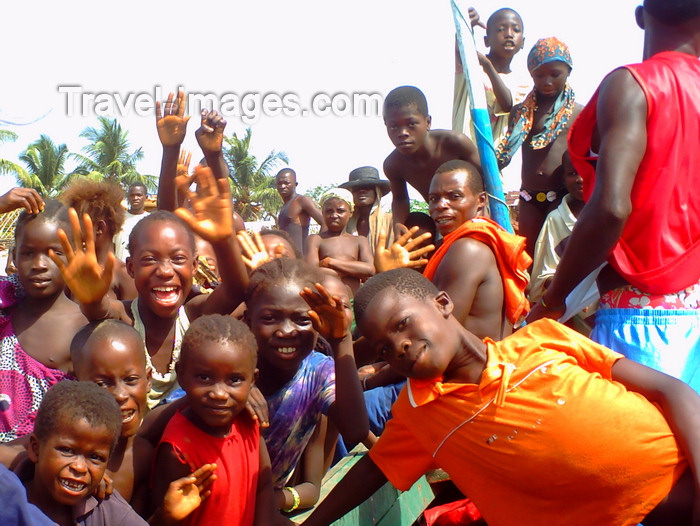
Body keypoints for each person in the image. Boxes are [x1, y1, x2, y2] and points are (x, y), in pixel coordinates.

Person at [302, 268, 700, 526]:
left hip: (686, 485)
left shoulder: (543, 338)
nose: (399, 346)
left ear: (443, 303)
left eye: (403, 324)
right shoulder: (421, 411)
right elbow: (373, 466)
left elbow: (671, 389)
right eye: (385, 349)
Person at [527, 0, 700, 393]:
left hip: (645, 321)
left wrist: (553, 301)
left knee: (639, 449)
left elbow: (610, 209)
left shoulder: (631, 85)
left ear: (641, 17)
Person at [51, 166, 249, 408]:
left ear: (195, 265)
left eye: (178, 259)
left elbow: (236, 290)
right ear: (131, 268)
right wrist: (91, 298)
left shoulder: (195, 315)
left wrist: (224, 239)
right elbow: (99, 311)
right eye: (149, 259)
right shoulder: (125, 317)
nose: (165, 271)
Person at [243, 258, 368, 511]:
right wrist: (233, 390)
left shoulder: (317, 372)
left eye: (302, 320)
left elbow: (355, 431)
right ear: (248, 321)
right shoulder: (228, 368)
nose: (286, 331)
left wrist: (341, 340)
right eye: (269, 318)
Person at [153, 314, 285, 526]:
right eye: (204, 378)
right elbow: (166, 515)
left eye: (234, 380)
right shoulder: (177, 449)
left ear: (253, 381)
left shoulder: (248, 421)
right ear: (182, 376)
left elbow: (262, 484)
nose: (219, 393)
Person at [0, 198, 88, 442]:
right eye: (28, 253)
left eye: (54, 253)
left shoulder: (82, 327)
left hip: (34, 472)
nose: (39, 265)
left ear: (72, 256)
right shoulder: (5, 306)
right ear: (14, 256)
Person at [423, 160, 530, 340]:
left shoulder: (468, 248)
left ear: (480, 200)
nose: (441, 205)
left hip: (475, 365)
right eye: (434, 199)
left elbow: (439, 336)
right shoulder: (467, 242)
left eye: (454, 196)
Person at [497, 37, 582, 259]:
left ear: (568, 71)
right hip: (529, 198)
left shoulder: (579, 114)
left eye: (555, 74)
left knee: (560, 254)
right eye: (539, 75)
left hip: (563, 197)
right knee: (528, 254)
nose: (547, 81)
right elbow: (505, 151)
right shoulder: (520, 113)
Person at [20, 381, 148, 525]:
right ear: (36, 449)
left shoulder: (109, 513)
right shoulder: (7, 497)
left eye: (95, 457)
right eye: (67, 451)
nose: (79, 467)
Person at [382, 86, 482, 227]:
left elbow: (487, 181)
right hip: (442, 219)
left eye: (411, 124)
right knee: (415, 226)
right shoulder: (393, 165)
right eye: (393, 127)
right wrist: (398, 224)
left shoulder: (454, 143)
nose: (403, 132)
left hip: (475, 215)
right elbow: (400, 199)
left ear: (428, 122)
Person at [453, 7, 529, 192]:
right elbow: (461, 47)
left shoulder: (522, 82)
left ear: (523, 42)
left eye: (515, 30)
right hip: (460, 157)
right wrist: (466, 24)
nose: (509, 34)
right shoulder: (471, 66)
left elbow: (507, 104)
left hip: (489, 163)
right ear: (486, 40)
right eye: (501, 29)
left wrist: (487, 65)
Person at [60, 178, 138, 301]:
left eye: (76, 224)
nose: (71, 230)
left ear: (99, 228)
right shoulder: (75, 270)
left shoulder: (124, 275)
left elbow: (130, 318)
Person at [528, 151, 588, 304]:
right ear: (563, 178)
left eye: (587, 172)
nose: (580, 179)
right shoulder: (556, 220)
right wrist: (571, 290)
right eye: (572, 173)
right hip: (567, 306)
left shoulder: (610, 217)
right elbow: (543, 275)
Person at [305, 188, 374, 295]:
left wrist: (329, 262)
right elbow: (312, 272)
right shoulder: (315, 239)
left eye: (340, 211)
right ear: (322, 213)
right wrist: (355, 272)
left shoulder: (359, 240)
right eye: (329, 211)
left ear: (351, 213)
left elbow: (369, 269)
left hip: (353, 301)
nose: (334, 215)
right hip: (325, 300)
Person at [339, 166, 394, 254]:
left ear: (377, 191)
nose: (362, 191)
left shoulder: (392, 221)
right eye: (356, 188)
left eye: (367, 187)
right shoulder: (344, 223)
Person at [275, 168, 325, 255]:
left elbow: (325, 222)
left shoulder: (301, 201)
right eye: (279, 183)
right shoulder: (284, 207)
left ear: (295, 184)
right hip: (287, 257)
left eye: (286, 183)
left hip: (301, 258)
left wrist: (316, 248)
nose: (282, 186)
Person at [114, 183, 149, 262]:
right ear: (128, 198)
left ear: (145, 197)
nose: (135, 198)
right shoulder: (119, 218)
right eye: (132, 195)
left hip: (140, 268)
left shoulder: (150, 220)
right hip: (120, 267)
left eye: (139, 195)